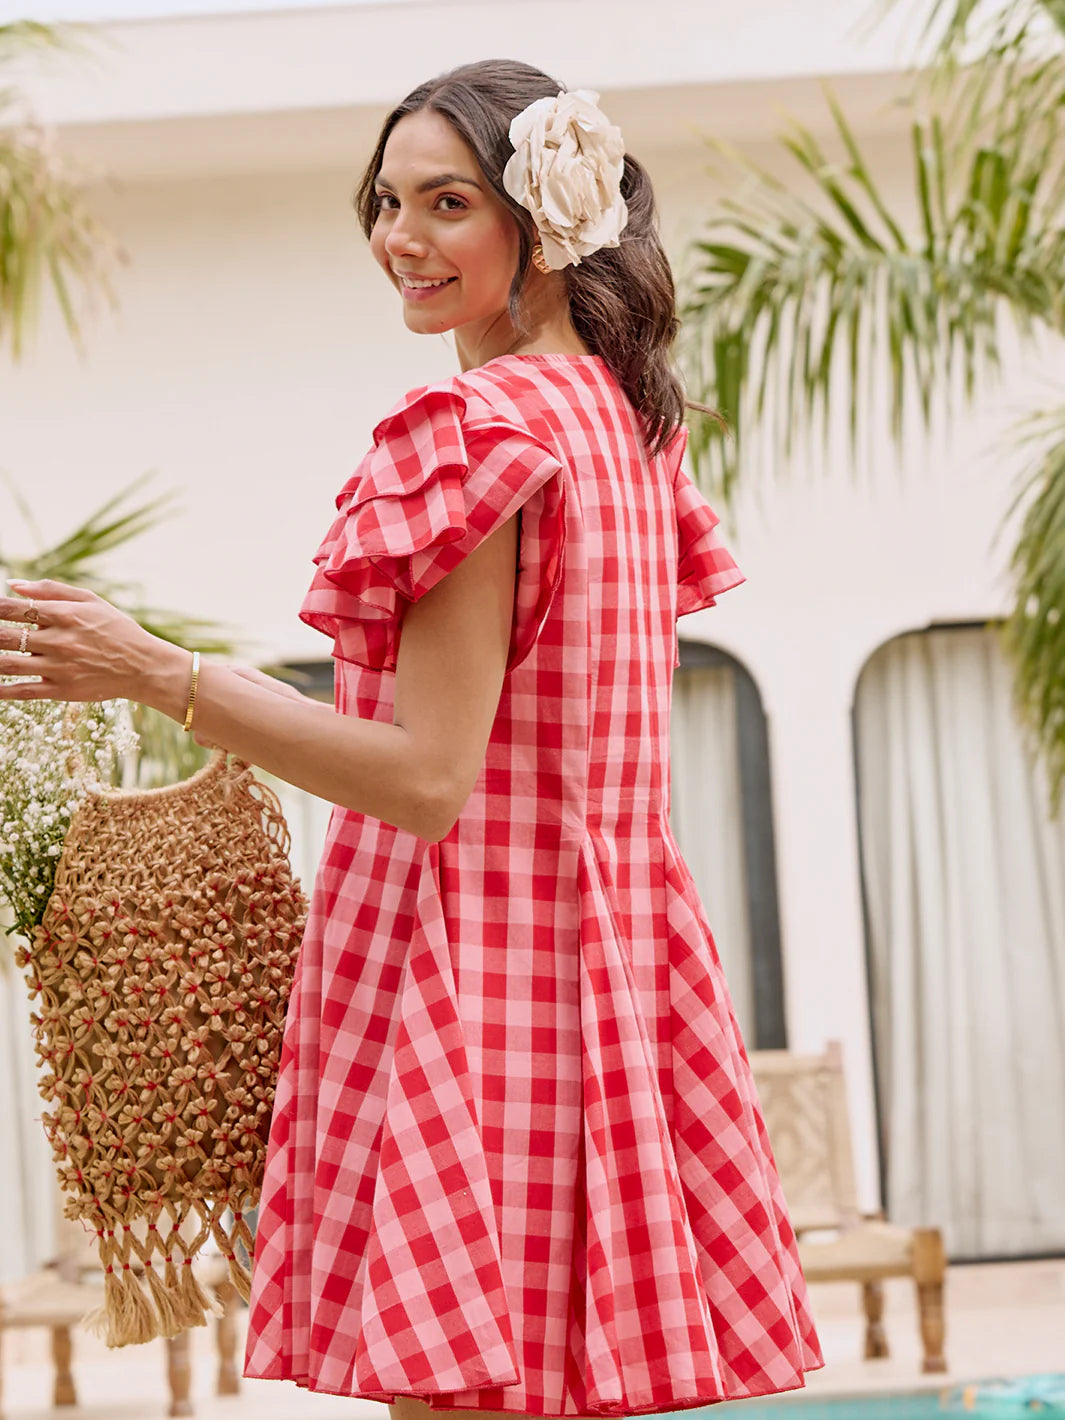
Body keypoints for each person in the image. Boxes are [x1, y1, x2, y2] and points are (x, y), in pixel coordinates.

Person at [0, 59, 824, 1419]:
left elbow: (428, 781)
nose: (401, 240)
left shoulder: (475, 430)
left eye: (448, 202)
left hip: (470, 979)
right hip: (603, 979)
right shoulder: (619, 426)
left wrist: (150, 670)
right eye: (385, 203)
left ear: (545, 220)